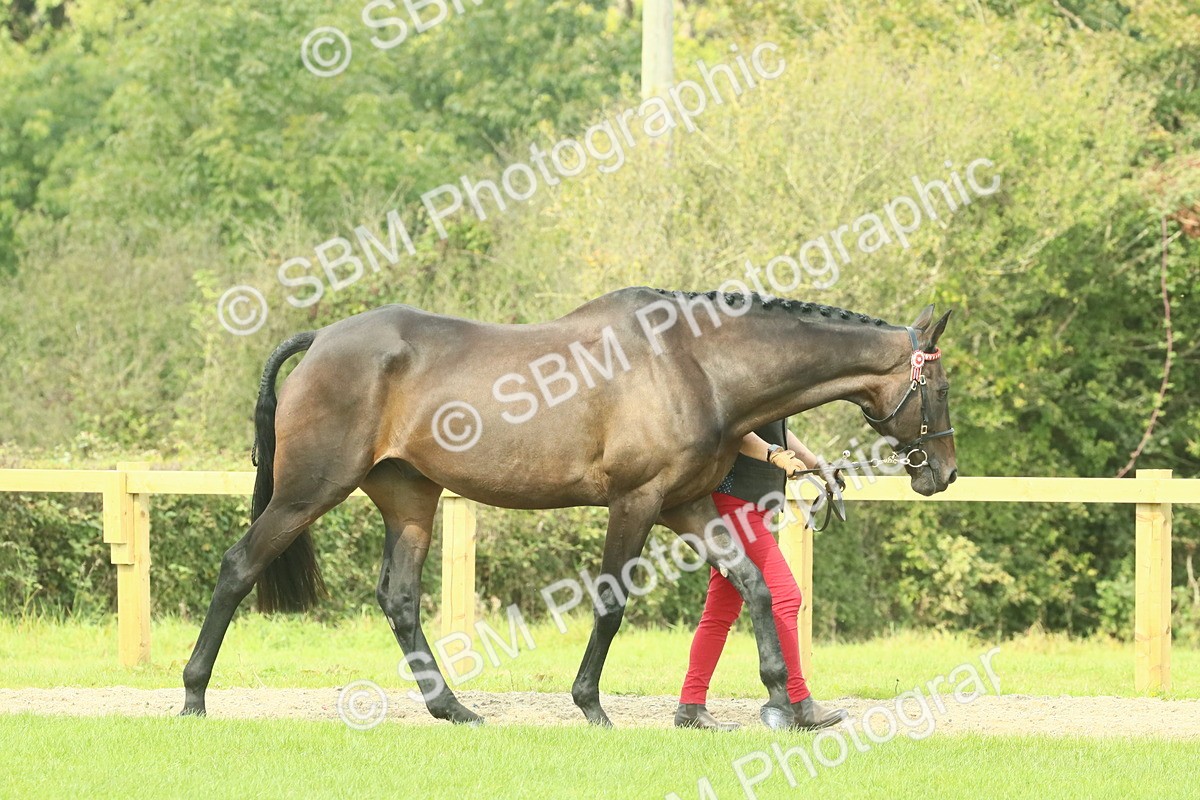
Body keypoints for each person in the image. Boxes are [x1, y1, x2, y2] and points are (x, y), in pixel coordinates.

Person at [674, 417, 849, 731]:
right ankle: (798, 704)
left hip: (748, 506)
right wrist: (776, 457)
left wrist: (817, 464)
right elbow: (734, 429)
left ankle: (690, 707)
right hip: (734, 506)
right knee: (785, 596)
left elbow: (775, 431)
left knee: (721, 610)